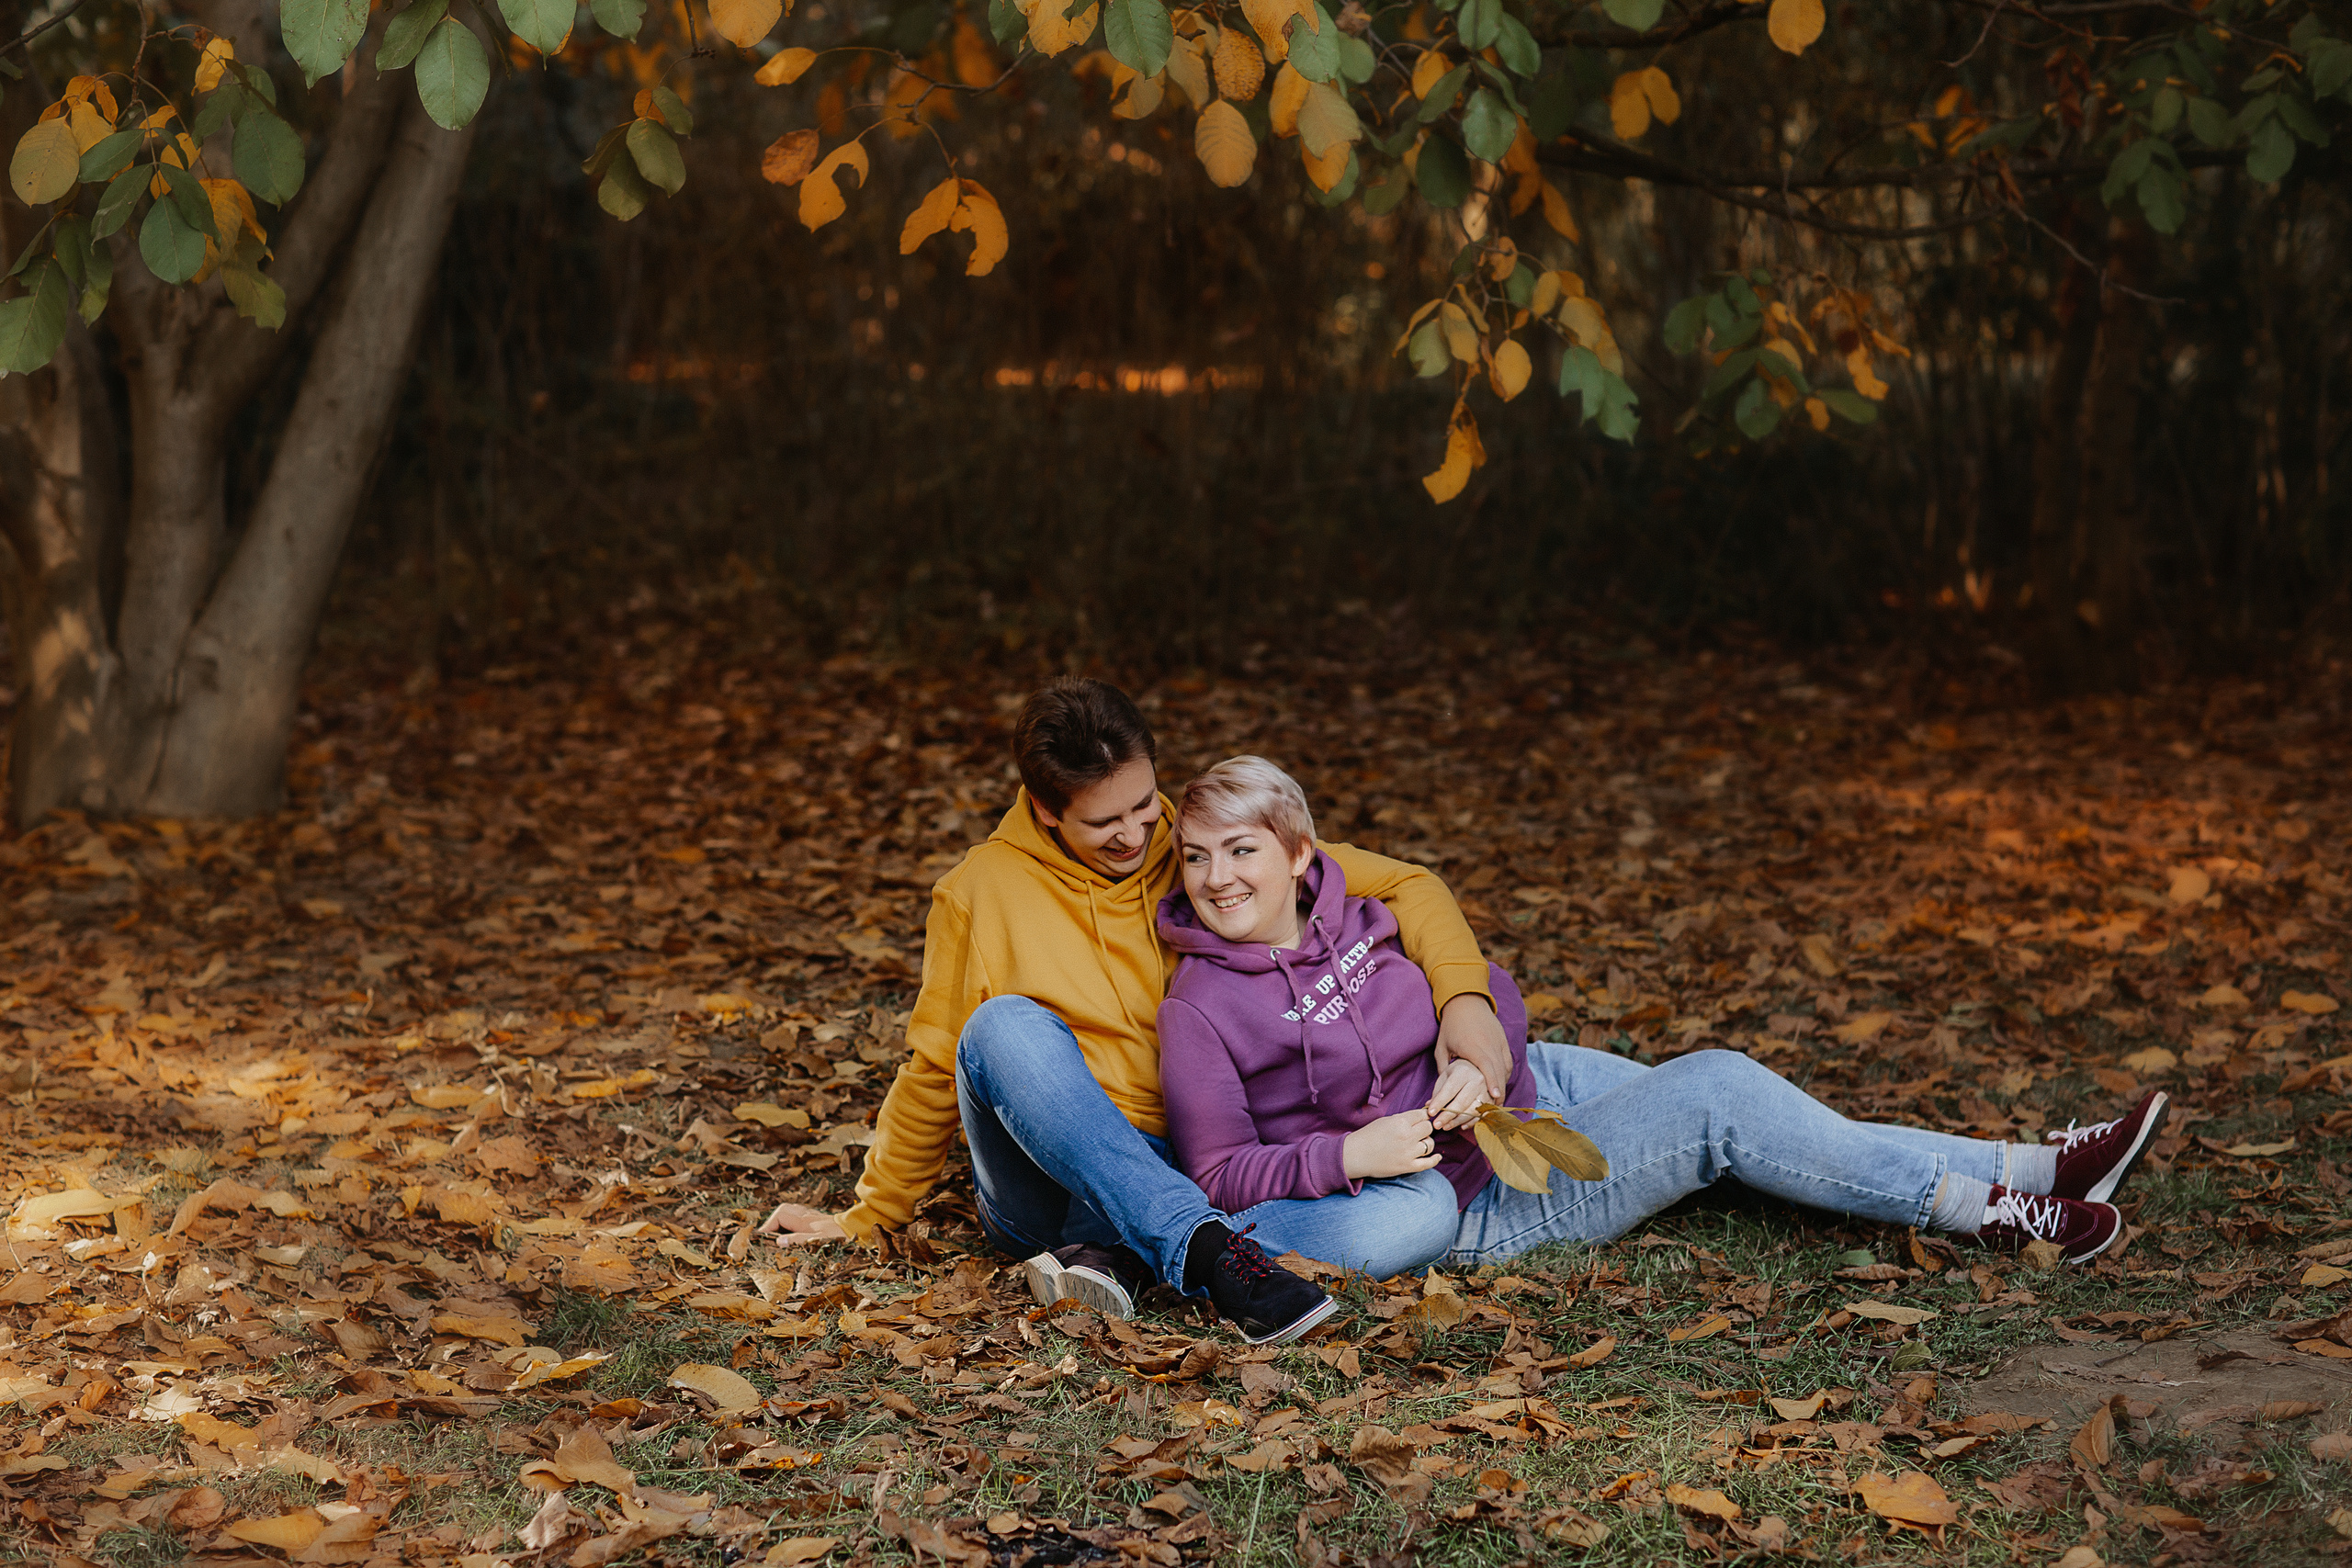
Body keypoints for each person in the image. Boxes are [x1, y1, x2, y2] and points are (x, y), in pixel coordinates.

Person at [1154, 756, 2170, 1277]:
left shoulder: (1363, 913)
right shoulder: (1199, 1006)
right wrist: (1349, 1157)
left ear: (1297, 855)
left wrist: (1486, 1060)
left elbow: (1493, 992)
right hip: (1478, 1200)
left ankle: (2031, 1168)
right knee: (1720, 1092)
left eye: (1240, 850)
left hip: (1527, 1092)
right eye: (1196, 857)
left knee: (1775, 1125)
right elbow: (1218, 1176)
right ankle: (1983, 1211)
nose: (1216, 877)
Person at [760, 679, 1516, 1344]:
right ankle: (1191, 1247)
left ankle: (1131, 1257)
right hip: (1058, 1184)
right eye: (1103, 823)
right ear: (1047, 811)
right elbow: (933, 1064)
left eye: (1142, 806)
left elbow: (1402, 883)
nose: (1133, 834)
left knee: (1415, 1214)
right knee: (1002, 1029)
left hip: (1190, 1162)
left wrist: (1466, 1000)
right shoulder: (981, 890)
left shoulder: (1189, 848)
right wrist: (872, 1211)